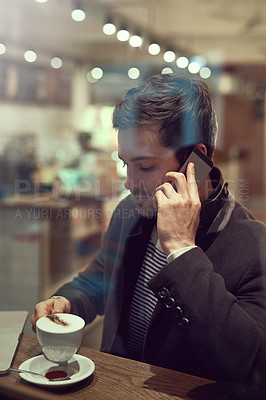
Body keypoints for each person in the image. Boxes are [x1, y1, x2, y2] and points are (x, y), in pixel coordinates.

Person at [31, 74, 266, 390]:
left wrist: (182, 249)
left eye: (143, 166)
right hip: (115, 385)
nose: (128, 183)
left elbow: (251, 367)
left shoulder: (253, 248)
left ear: (197, 159)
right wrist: (66, 302)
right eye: (125, 164)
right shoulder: (130, 212)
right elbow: (100, 277)